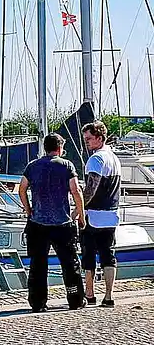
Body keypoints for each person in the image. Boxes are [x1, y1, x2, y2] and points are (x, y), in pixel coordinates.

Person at [19, 133, 86, 312]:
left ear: (45, 147)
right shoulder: (66, 165)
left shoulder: (32, 166)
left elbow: (22, 189)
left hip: (38, 223)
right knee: (70, 263)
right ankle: (75, 299)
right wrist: (81, 214)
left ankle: (38, 302)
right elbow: (76, 190)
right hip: (62, 222)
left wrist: (28, 210)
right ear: (59, 148)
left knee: (38, 265)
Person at [81, 120, 121, 307]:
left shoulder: (96, 159)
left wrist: (79, 208)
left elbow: (91, 188)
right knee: (108, 255)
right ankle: (109, 295)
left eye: (89, 139)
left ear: (99, 138)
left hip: (94, 216)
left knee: (88, 255)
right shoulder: (114, 158)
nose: (86, 142)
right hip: (111, 214)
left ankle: (89, 294)